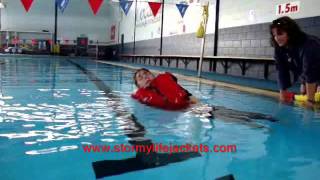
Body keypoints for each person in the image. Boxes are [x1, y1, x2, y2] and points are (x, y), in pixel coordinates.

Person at [270, 16, 320, 104]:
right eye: (274, 35)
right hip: (308, 73)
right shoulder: (279, 47)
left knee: (315, 98)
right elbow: (281, 70)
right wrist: (283, 94)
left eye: (280, 33)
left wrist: (310, 101)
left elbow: (310, 70)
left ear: (290, 33)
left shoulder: (309, 44)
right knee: (304, 91)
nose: (277, 38)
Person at [132, 68, 197, 110]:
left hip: (189, 106)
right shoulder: (139, 97)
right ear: (138, 86)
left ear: (152, 75)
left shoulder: (164, 79)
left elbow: (183, 92)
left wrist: (192, 100)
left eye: (146, 73)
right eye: (140, 78)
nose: (145, 76)